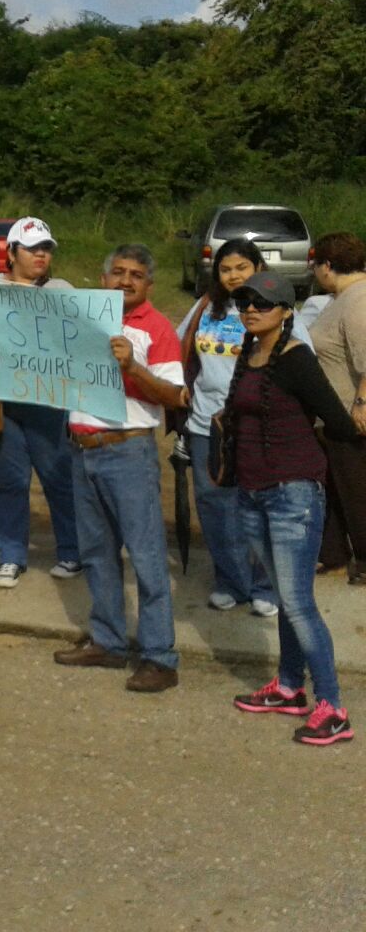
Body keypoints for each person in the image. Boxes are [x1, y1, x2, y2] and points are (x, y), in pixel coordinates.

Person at [222, 273, 355, 746]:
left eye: (263, 302)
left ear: (285, 310)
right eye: (244, 302)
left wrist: (305, 457)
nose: (251, 309)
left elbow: (337, 420)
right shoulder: (249, 354)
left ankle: (333, 707)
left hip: (293, 495)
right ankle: (288, 687)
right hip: (253, 493)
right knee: (285, 598)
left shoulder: (296, 358)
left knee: (299, 604)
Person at [53, 245, 185, 693]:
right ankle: (108, 641)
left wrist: (133, 365)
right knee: (96, 554)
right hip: (81, 448)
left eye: (137, 274)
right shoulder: (79, 318)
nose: (126, 280)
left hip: (128, 452)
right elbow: (33, 352)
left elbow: (174, 397)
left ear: (149, 284)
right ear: (103, 276)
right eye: (119, 272)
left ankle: (159, 657)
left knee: (147, 558)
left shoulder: (159, 328)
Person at [178, 238, 284, 614]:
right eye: (226, 269)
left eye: (242, 267)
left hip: (258, 426)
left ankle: (265, 585)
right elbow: (177, 350)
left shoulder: (277, 309)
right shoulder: (206, 308)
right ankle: (230, 581)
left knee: (259, 504)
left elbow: (300, 360)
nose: (234, 275)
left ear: (258, 268)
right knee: (214, 503)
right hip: (207, 425)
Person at [0, 217, 81, 588]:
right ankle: (11, 556)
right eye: (32, 248)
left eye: (46, 248)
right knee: (9, 482)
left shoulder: (61, 289)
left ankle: (71, 550)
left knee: (59, 478)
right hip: (4, 403)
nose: (41, 255)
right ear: (10, 252)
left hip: (50, 402)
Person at [306, 231, 366, 582]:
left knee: (357, 491)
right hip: (334, 416)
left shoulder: (358, 300)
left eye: (316, 266)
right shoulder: (344, 298)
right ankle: (334, 553)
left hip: (350, 415)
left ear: (327, 265)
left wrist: (361, 403)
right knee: (334, 487)